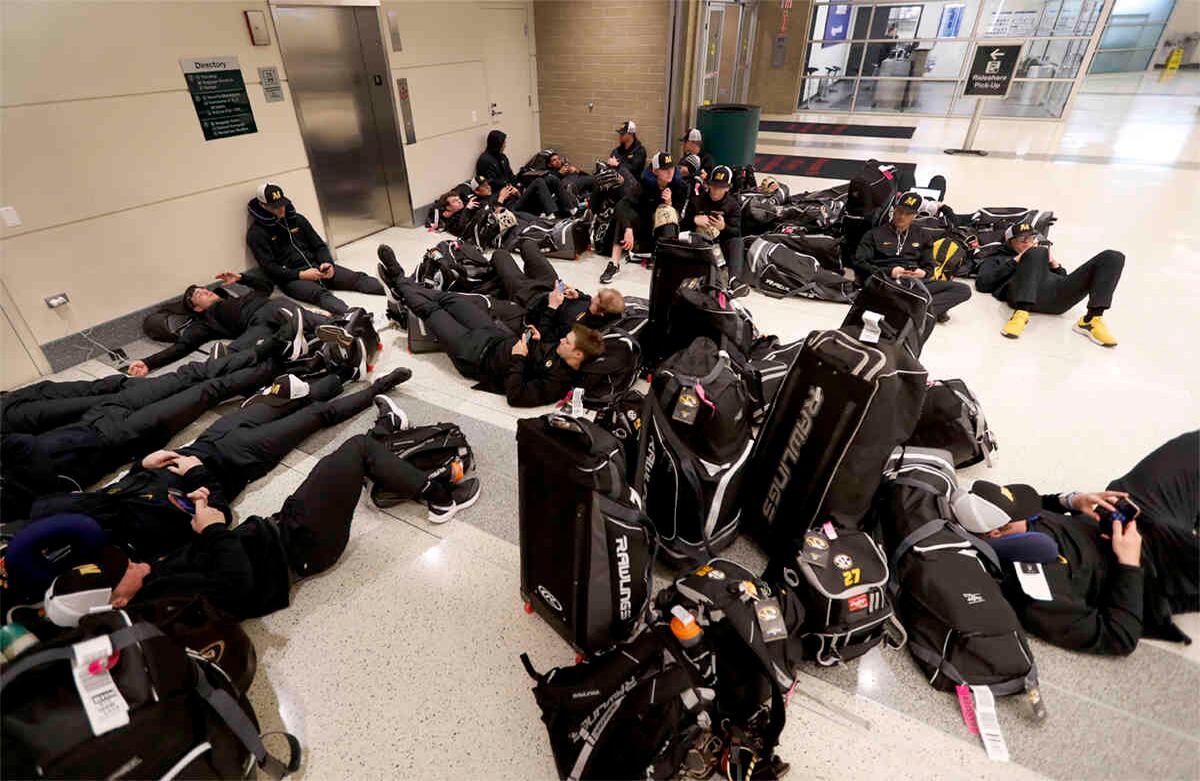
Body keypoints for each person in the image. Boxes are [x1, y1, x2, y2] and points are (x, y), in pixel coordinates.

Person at [39, 406, 478, 623]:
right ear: (118, 602)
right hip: (299, 547)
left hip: (277, 531)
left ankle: (385, 438)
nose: (129, 560)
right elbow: (236, 584)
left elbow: (216, 532)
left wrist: (196, 504)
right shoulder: (165, 608)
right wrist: (210, 532)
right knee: (353, 453)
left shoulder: (146, 584)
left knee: (345, 462)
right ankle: (439, 495)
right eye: (123, 571)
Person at [21, 368, 414, 564]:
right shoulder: (146, 539)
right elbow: (219, 513)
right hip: (238, 460)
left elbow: (126, 484)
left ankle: (342, 373)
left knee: (277, 401)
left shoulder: (103, 506)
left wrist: (144, 463)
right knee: (316, 416)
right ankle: (378, 389)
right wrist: (194, 474)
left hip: (208, 442)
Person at [959, 431, 1198, 656]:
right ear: (997, 534)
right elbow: (1118, 637)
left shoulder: (1006, 524)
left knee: (1192, 448)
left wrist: (1072, 502)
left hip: (1119, 517)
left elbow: (1038, 503)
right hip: (1154, 571)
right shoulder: (1036, 591)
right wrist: (1129, 564)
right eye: (1022, 512)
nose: (1031, 513)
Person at [0, 350, 282, 520]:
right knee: (206, 391)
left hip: (96, 418)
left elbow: (26, 437)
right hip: (121, 439)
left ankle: (275, 348)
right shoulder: (14, 504)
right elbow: (30, 454)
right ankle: (277, 365)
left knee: (186, 375)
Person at [380, 264, 604, 407]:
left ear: (576, 353)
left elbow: (516, 396)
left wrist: (518, 358)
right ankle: (406, 288)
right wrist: (535, 336)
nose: (562, 340)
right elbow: (547, 339)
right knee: (453, 299)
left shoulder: (556, 383)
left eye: (567, 341)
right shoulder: (562, 350)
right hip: (495, 335)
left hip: (475, 357)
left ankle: (400, 281)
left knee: (432, 312)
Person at [125, 271, 377, 375]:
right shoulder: (207, 321)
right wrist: (148, 362)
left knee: (289, 311)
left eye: (204, 288)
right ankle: (331, 333)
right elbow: (183, 346)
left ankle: (339, 330)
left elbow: (265, 287)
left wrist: (242, 278)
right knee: (240, 349)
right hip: (257, 326)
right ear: (196, 308)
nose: (204, 291)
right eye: (198, 294)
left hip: (272, 308)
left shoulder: (241, 296)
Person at [975, 222, 1124, 346]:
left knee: (1113, 257)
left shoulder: (1041, 256)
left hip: (1054, 298)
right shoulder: (997, 258)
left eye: (1031, 239)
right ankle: (1021, 313)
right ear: (1010, 243)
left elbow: (1063, 280)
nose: (1028, 243)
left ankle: (1091, 320)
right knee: (1037, 253)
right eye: (1022, 240)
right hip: (1021, 294)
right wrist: (1019, 259)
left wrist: (1054, 263)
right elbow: (983, 284)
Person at [246, 182, 386, 314]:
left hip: (318, 267)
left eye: (282, 204)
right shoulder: (257, 234)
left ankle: (400, 288)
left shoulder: (297, 219)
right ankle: (351, 315)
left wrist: (327, 263)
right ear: (262, 205)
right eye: (275, 207)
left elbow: (319, 246)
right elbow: (270, 268)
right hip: (292, 278)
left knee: (357, 278)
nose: (281, 209)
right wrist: (300, 274)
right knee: (320, 295)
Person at [852, 191, 972, 322]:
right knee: (881, 292)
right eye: (899, 211)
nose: (902, 217)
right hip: (885, 281)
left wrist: (923, 273)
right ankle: (922, 311)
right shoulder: (874, 234)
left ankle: (912, 310)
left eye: (908, 214)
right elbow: (860, 263)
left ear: (915, 215)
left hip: (914, 282)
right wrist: (890, 272)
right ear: (894, 210)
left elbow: (930, 266)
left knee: (963, 290)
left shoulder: (923, 236)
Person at [600, 151, 687, 284]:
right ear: (655, 170)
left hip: (664, 235)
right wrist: (628, 228)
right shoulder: (644, 185)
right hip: (643, 231)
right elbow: (622, 205)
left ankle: (666, 262)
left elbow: (680, 218)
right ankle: (614, 264)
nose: (670, 172)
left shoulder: (680, 186)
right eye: (665, 169)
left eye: (671, 168)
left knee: (667, 212)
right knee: (623, 215)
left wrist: (669, 204)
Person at [475, 131, 560, 216]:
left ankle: (571, 209)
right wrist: (509, 187)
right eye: (503, 143)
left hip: (515, 193)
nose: (505, 145)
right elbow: (491, 183)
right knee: (539, 182)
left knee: (550, 179)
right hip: (507, 200)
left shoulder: (502, 157)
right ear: (497, 144)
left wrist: (518, 184)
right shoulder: (484, 161)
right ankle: (551, 216)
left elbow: (511, 176)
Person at [682, 165, 744, 279]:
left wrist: (724, 227)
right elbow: (681, 227)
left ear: (728, 188)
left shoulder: (733, 205)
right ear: (708, 185)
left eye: (721, 187)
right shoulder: (696, 201)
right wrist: (694, 220)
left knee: (737, 242)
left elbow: (737, 232)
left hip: (721, 245)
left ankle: (734, 280)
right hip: (699, 244)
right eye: (714, 186)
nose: (716, 191)